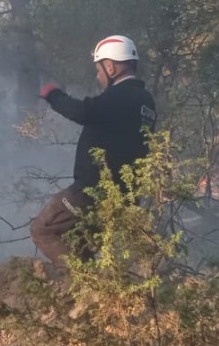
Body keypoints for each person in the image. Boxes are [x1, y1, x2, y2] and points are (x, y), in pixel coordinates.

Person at [30, 35, 158, 264]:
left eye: (98, 70)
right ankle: (89, 285)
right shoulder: (146, 101)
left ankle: (83, 280)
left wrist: (53, 95)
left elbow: (82, 112)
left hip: (91, 192)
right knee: (81, 248)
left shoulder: (120, 95)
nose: (98, 76)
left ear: (110, 67)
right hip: (124, 196)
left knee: (43, 229)